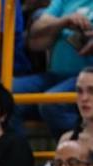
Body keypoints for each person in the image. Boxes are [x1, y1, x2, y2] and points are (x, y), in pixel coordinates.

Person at [16, 3, 93, 140]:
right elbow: (36, 32)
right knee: (3, 93)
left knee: (52, 102)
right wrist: (63, 21)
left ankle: (80, 152)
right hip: (54, 76)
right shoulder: (63, 1)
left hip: (87, 77)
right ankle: (14, 155)